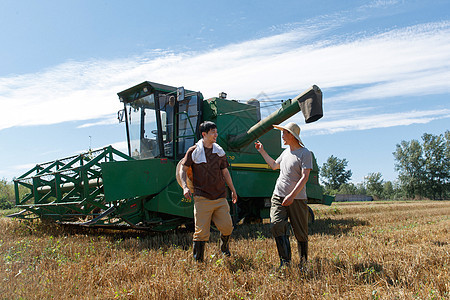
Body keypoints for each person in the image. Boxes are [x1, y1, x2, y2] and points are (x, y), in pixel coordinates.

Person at [254, 122, 312, 268]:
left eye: (284, 133)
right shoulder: (286, 152)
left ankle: (303, 263)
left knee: (300, 232)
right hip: (278, 195)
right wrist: (262, 151)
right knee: (276, 225)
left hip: (296, 198)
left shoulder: (305, 153)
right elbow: (274, 165)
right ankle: (285, 262)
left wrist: (292, 196)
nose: (282, 136)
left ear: (292, 136)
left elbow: (304, 177)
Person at [179, 121, 238, 262]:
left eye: (216, 132)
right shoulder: (193, 151)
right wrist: (185, 186)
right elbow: (183, 169)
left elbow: (225, 172)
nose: (216, 135)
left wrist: (233, 190)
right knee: (201, 233)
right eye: (213, 133)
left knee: (227, 227)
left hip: (219, 197)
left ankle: (224, 248)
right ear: (204, 134)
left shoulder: (219, 152)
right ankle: (198, 261)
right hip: (202, 198)